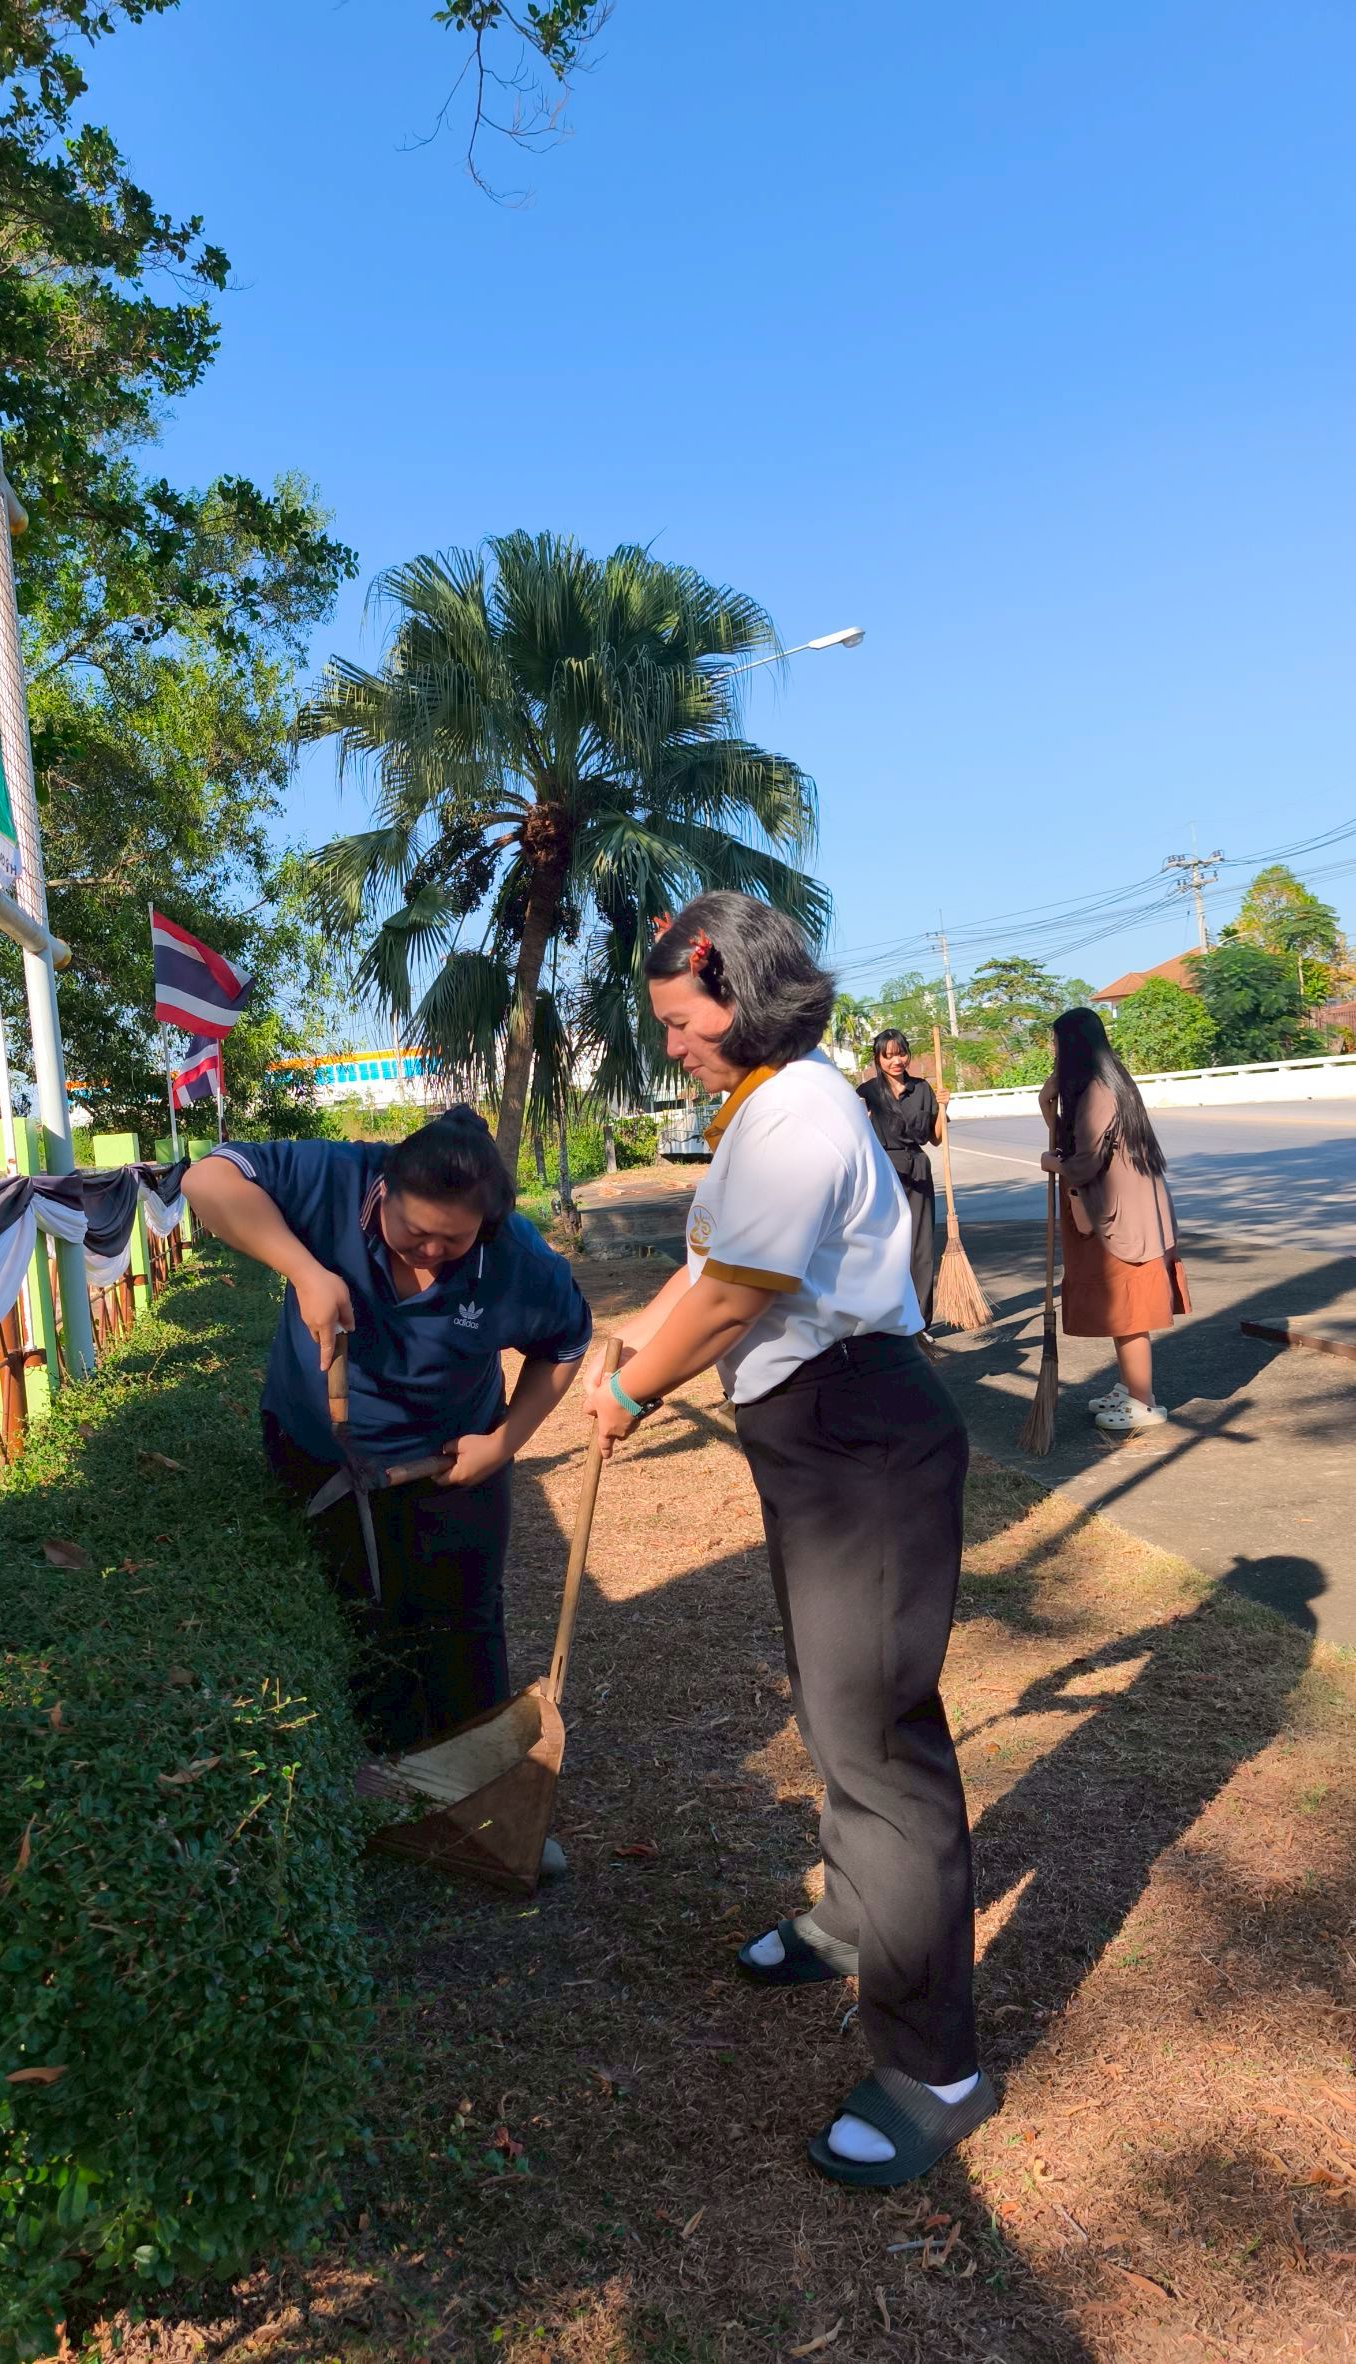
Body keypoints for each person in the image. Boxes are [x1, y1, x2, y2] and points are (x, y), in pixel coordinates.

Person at [586, 892, 994, 2188]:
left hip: (857, 1436)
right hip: (817, 1443)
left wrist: (630, 1386)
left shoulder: (798, 1110)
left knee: (878, 1744)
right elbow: (703, 1265)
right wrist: (628, 1362)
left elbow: (730, 1294)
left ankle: (933, 2067)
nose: (674, 1046)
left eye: (679, 1021)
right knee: (834, 1713)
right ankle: (846, 1916)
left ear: (736, 993)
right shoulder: (766, 1112)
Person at [182, 1107, 592, 1755]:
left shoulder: (518, 1261)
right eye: (414, 1230)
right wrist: (304, 1268)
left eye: (452, 1242)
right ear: (385, 1185)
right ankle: (386, 1777)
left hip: (452, 1460)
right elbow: (206, 1179)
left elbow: (564, 1346)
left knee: (463, 1618)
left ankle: (480, 1781)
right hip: (318, 1455)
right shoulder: (337, 1177)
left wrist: (505, 1442)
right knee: (355, 1614)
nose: (429, 1253)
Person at [1038, 1006, 1188, 1434]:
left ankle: (1143, 1401)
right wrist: (1048, 1106)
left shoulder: (1099, 1092)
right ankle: (1131, 1387)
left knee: (1128, 1306)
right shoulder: (1105, 1084)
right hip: (1121, 1209)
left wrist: (1049, 1161)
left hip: (1122, 1217)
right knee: (1121, 1304)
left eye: (1056, 1043)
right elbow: (1076, 1142)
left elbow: (1081, 1163)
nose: (1053, 1050)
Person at [856, 1028, 943, 1325]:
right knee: (883, 1244)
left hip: (917, 1168)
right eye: (889, 1055)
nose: (897, 1061)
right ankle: (886, 1317)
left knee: (920, 1246)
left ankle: (920, 1321)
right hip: (882, 1169)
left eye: (901, 1053)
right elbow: (855, 1138)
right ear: (878, 1058)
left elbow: (936, 1139)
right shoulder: (866, 1093)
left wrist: (943, 1108)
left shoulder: (922, 1090)